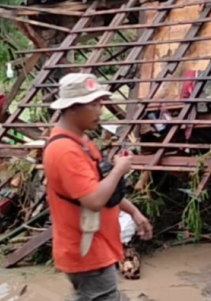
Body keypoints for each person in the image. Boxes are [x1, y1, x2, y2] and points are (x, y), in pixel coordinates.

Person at [43, 73, 153, 301]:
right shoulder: (65, 151)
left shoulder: (80, 142)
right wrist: (119, 170)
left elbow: (99, 187)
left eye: (100, 102)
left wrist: (133, 211)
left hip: (96, 244)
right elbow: (93, 199)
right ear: (72, 107)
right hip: (86, 250)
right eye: (93, 104)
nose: (100, 110)